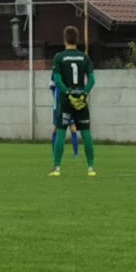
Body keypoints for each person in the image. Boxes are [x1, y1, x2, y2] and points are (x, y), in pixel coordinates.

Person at [49, 26, 96, 178]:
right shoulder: (85, 58)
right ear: (77, 39)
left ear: (65, 39)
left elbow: (57, 80)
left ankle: (57, 168)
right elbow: (92, 80)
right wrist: (83, 95)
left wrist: (69, 94)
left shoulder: (59, 57)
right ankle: (91, 168)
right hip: (81, 101)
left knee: (61, 132)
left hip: (66, 101)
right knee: (86, 133)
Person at [50, 77, 82, 161]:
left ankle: (76, 154)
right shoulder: (55, 74)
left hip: (70, 107)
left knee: (73, 129)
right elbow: (52, 90)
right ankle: (54, 153)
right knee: (55, 131)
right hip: (58, 108)